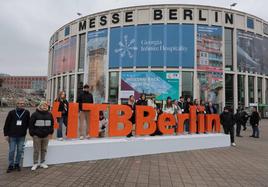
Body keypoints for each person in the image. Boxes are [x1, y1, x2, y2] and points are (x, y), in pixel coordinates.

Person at [3, 98, 30, 173]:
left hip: (21, 135)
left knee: (20, 150)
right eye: (20, 103)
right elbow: (6, 124)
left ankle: (17, 164)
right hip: (12, 135)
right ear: (17, 104)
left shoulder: (26, 112)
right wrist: (6, 134)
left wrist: (26, 128)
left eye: (23, 103)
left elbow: (29, 123)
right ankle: (11, 165)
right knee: (12, 151)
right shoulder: (11, 112)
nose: (21, 104)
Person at [29, 101, 54, 171]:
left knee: (44, 149)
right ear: (40, 106)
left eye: (45, 105)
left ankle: (42, 162)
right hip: (37, 135)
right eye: (42, 105)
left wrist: (50, 132)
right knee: (36, 150)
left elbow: (52, 124)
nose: (44, 106)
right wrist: (32, 134)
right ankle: (35, 163)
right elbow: (31, 125)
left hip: (46, 136)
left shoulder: (50, 114)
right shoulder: (35, 114)